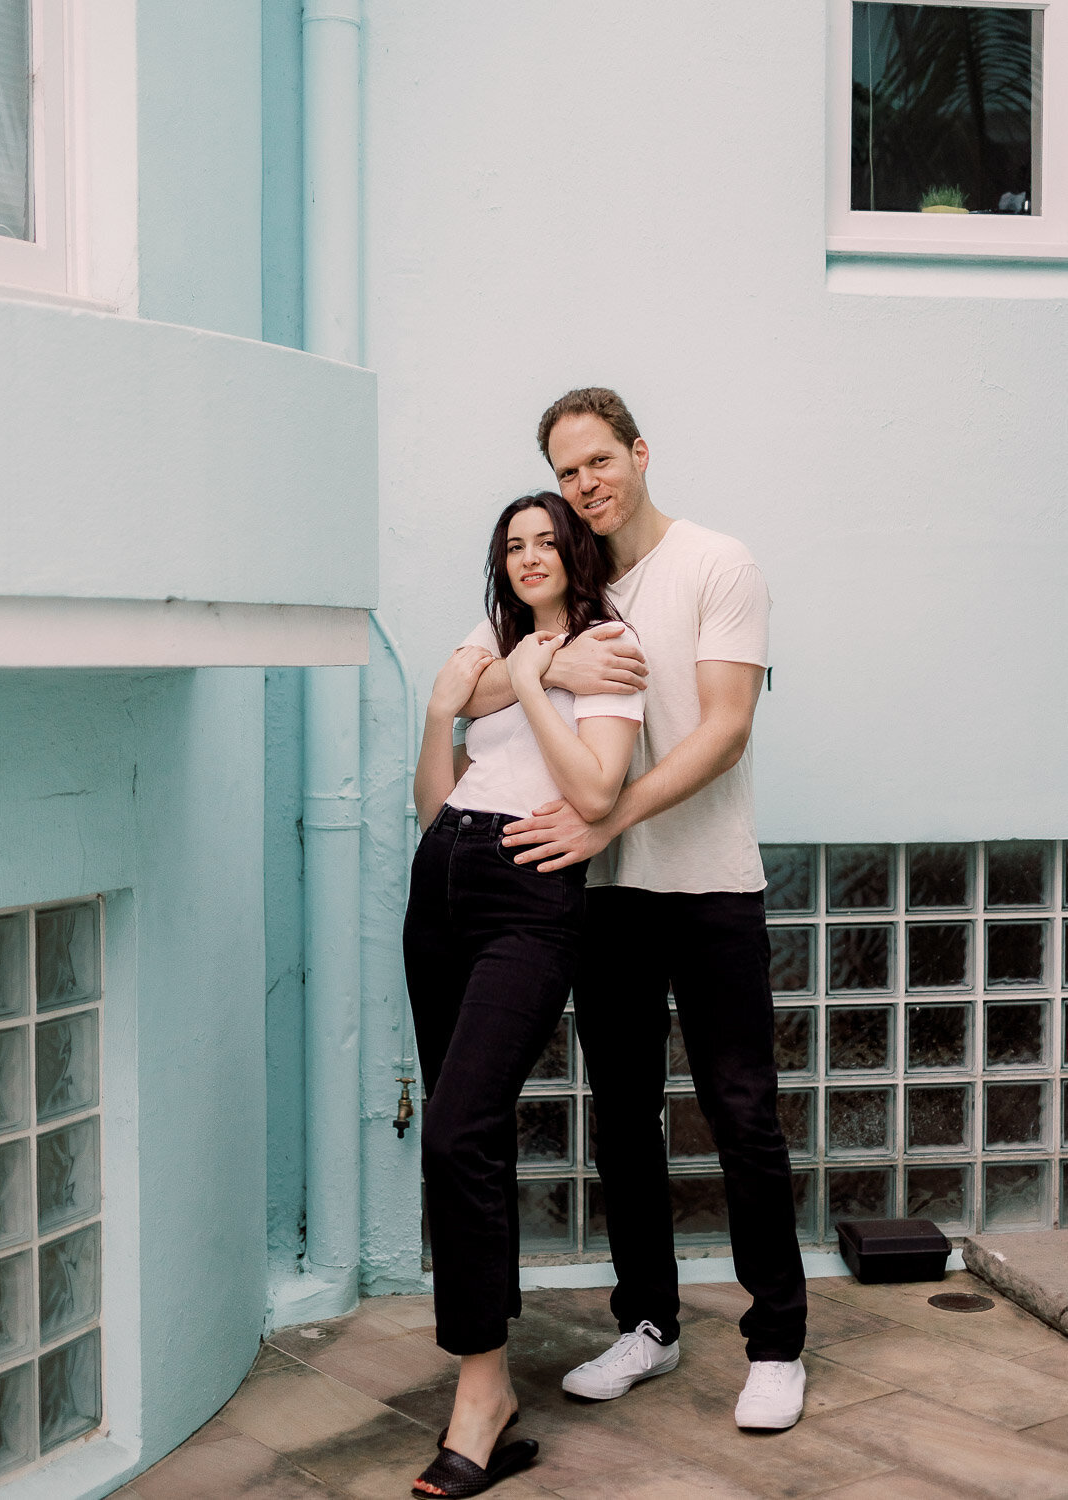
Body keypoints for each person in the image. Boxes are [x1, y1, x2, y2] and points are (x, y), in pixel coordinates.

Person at [461, 389, 808, 1432]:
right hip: (601, 900)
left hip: (703, 882)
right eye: (567, 473)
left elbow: (724, 730)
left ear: (640, 453)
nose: (585, 487)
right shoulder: (566, 579)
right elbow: (469, 686)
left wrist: (610, 822)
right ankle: (648, 1326)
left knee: (741, 1109)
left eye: (599, 462)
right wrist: (547, 662)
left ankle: (779, 1340)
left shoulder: (717, 563)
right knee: (623, 1118)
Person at [404, 489, 645, 1497]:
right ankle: (488, 1390)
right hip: (443, 878)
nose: (531, 554)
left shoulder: (611, 646)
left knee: (456, 1129)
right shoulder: (492, 638)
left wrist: (534, 682)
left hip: (529, 896)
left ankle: (479, 1401)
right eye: (514, 545)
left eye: (549, 540)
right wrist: (437, 714)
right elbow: (434, 798)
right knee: (473, 1138)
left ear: (577, 551)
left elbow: (595, 795)